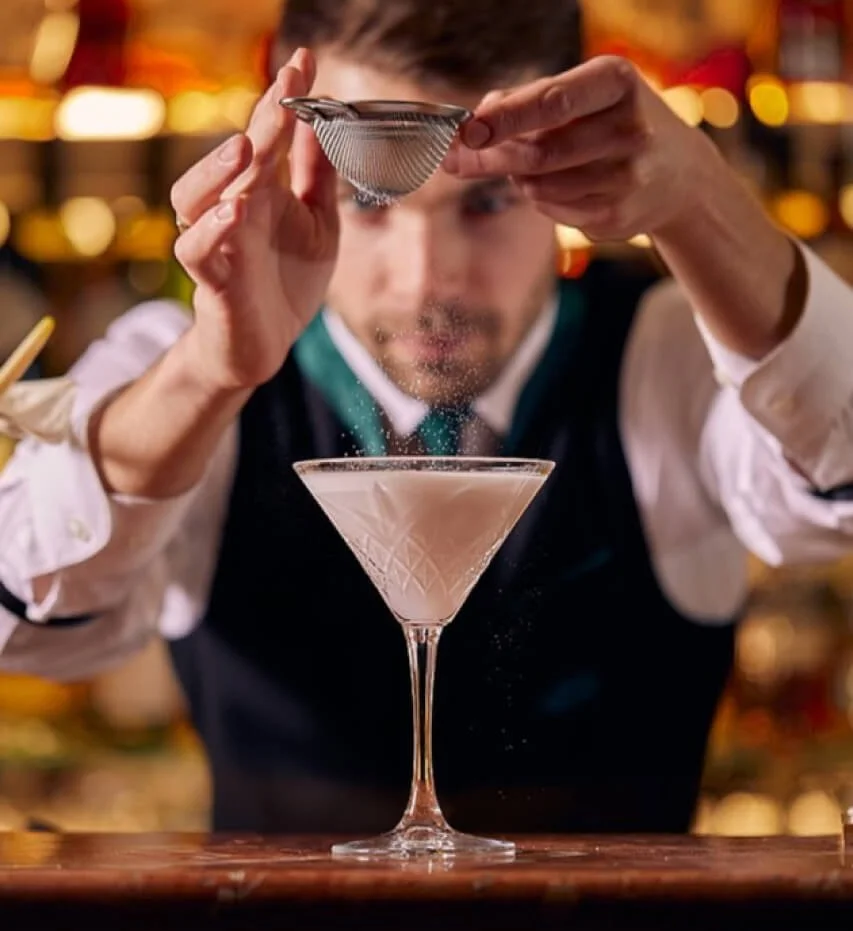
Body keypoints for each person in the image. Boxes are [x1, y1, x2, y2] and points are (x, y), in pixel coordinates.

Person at [2, 0, 853, 835]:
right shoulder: (178, 357)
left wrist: (699, 199)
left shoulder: (670, 348)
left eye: (485, 205)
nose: (427, 280)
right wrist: (210, 371)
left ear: (569, 176)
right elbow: (26, 616)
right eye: (370, 199)